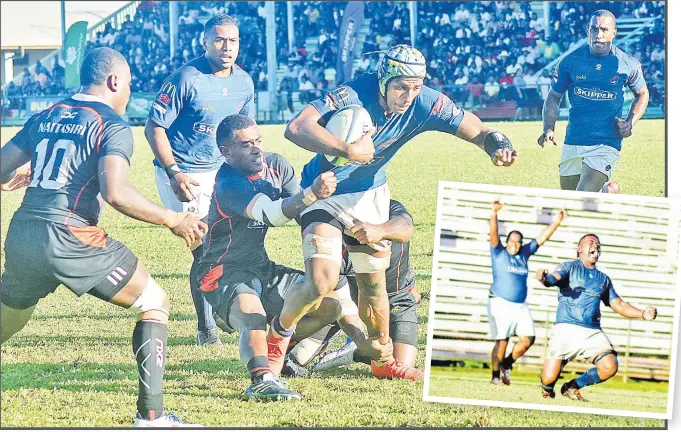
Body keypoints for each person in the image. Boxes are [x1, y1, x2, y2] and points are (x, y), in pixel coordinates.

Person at [268, 44, 518, 381]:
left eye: (415, 88)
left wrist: (497, 146)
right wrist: (347, 150)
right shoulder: (352, 93)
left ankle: (381, 359)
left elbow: (476, 128)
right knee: (321, 282)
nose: (407, 96)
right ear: (383, 80)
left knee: (373, 287)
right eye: (400, 87)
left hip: (370, 195)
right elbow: (297, 127)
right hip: (322, 190)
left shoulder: (426, 101)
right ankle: (277, 335)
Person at [0, 47, 206, 427]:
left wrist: (39, 173)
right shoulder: (110, 124)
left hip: (24, 231)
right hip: (70, 235)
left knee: (9, 317)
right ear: (114, 81)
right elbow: (117, 193)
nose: (129, 92)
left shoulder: (46, 114)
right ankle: (153, 416)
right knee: (154, 301)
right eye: (128, 84)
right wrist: (172, 219)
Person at [196, 114, 391, 399]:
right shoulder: (229, 185)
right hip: (222, 270)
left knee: (327, 301)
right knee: (253, 316)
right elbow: (273, 214)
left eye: (258, 140)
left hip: (261, 266)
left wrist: (361, 339)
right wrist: (312, 192)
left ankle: (289, 355)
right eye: (246, 144)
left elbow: (301, 213)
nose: (256, 148)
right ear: (225, 152)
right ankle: (261, 380)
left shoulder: (275, 166)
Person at [144, 14, 255, 346]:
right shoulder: (185, 79)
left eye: (232, 40)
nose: (226, 47)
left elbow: (243, 130)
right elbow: (154, 127)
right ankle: (207, 327)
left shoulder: (244, 82)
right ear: (205, 42)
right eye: (219, 40)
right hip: (184, 172)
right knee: (205, 247)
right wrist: (174, 172)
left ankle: (219, 307)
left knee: (231, 243)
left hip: (221, 171)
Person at [538, 10, 649, 192]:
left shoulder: (626, 63)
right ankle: (607, 193)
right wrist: (548, 128)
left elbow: (643, 94)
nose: (599, 35)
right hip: (574, 138)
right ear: (587, 30)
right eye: (594, 29)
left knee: (581, 198)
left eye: (604, 29)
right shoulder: (570, 61)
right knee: (569, 199)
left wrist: (630, 122)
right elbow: (553, 96)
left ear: (614, 33)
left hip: (606, 142)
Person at [536, 234, 658, 401]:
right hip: (565, 329)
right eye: (591, 242)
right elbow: (554, 278)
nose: (596, 245)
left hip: (592, 331)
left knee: (610, 366)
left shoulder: (603, 279)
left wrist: (643, 313)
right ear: (579, 249)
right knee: (549, 378)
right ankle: (547, 387)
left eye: (598, 243)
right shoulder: (569, 266)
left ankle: (572, 386)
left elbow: (619, 305)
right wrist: (544, 278)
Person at [308, 199, 422, 372]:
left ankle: (354, 353)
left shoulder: (388, 207)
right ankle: (354, 345)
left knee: (401, 366)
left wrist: (380, 230)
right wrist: (359, 337)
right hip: (362, 304)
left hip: (399, 299)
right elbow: (337, 295)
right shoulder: (334, 229)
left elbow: (406, 227)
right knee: (302, 352)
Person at [488, 201, 567, 386]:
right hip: (500, 302)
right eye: (512, 241)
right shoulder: (498, 252)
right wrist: (494, 213)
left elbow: (541, 238)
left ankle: (506, 364)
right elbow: (493, 232)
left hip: (520, 305)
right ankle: (495, 377)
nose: (515, 244)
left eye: (518, 241)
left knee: (528, 339)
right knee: (502, 342)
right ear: (506, 242)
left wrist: (557, 221)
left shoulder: (524, 254)